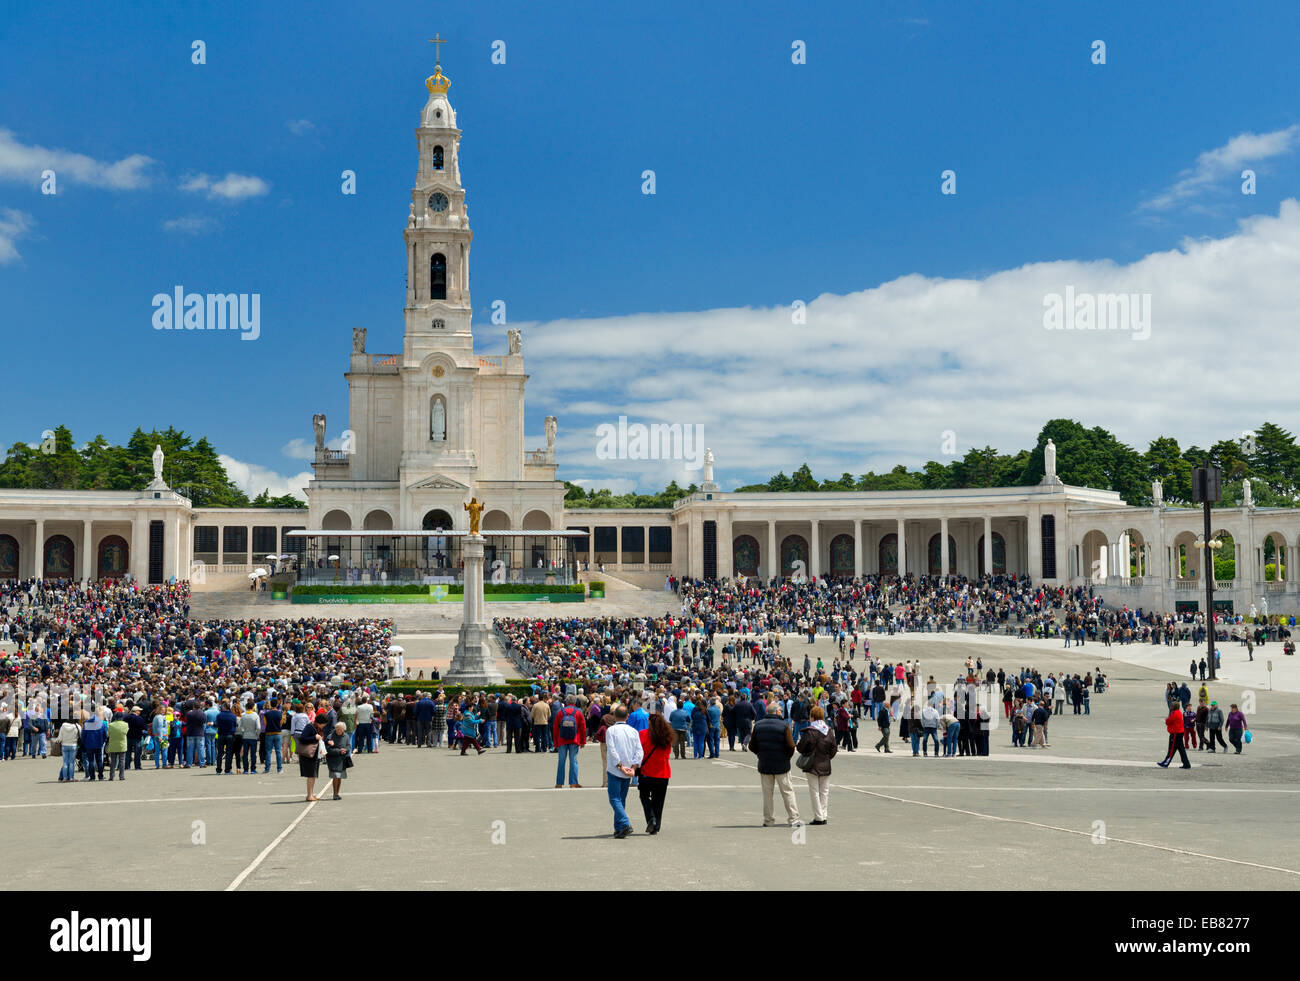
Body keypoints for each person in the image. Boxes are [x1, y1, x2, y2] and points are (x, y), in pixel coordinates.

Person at [751, 701, 800, 827]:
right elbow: (791, 745)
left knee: (767, 794)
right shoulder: (784, 725)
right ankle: (793, 819)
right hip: (782, 764)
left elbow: (752, 746)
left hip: (765, 763)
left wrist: (760, 754)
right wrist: (786, 757)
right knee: (787, 792)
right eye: (780, 711)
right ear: (777, 712)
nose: (782, 713)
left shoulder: (758, 725)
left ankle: (768, 820)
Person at [604, 705, 643, 838]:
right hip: (629, 768)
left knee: (614, 798)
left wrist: (620, 766)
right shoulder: (633, 731)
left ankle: (624, 823)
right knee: (621, 799)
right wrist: (634, 767)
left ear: (614, 716)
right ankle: (619, 827)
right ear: (627, 716)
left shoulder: (611, 730)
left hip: (616, 768)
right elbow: (639, 751)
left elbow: (612, 750)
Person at [796, 705, 837, 825]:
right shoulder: (828, 730)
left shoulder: (810, 731)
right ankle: (823, 815)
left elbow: (800, 747)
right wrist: (827, 757)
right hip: (825, 763)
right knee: (824, 791)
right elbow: (833, 749)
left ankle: (818, 816)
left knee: (814, 791)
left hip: (812, 764)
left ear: (812, 717)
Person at [637, 712, 673, 834]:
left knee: (644, 797)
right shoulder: (667, 736)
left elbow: (639, 753)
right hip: (662, 773)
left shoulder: (643, 734)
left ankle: (650, 818)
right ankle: (656, 825)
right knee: (659, 801)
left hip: (647, 771)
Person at [552, 694, 586, 787]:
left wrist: (555, 742)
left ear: (566, 702)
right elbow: (583, 728)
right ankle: (573, 783)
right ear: (575, 702)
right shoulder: (578, 712)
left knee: (561, 761)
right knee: (573, 761)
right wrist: (583, 741)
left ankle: (559, 783)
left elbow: (555, 728)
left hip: (562, 740)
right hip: (574, 740)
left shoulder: (560, 712)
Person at [298, 714, 323, 801]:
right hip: (308, 755)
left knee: (313, 775)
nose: (324, 726)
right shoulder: (310, 727)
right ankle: (309, 795)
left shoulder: (316, 728)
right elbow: (302, 738)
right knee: (311, 775)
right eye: (324, 724)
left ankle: (311, 794)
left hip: (314, 754)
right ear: (320, 722)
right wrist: (314, 737)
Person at [1157, 703, 1191, 769]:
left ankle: (1166, 763)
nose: (1171, 707)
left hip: (1176, 733)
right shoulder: (1178, 712)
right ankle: (1186, 764)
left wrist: (1167, 719)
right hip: (1180, 733)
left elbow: (1168, 721)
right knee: (1181, 750)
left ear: (1174, 707)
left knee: (1171, 749)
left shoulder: (1174, 713)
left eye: (1172, 706)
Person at [324, 721, 352, 799]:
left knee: (339, 777)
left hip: (342, 760)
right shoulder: (330, 736)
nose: (339, 731)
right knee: (335, 776)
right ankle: (335, 794)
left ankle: (337, 793)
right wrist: (339, 751)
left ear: (344, 730)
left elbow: (349, 746)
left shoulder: (346, 736)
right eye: (337, 729)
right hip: (333, 760)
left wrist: (346, 750)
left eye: (341, 729)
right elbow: (328, 749)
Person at [106, 710, 129, 781]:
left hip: (113, 745)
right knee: (122, 761)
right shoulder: (125, 724)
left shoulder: (111, 725)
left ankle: (111, 776)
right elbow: (126, 732)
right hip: (122, 744)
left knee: (113, 761)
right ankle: (121, 776)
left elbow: (108, 734)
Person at [57, 717, 80, 783]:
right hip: (73, 745)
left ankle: (64, 778)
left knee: (65, 762)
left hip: (64, 745)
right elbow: (80, 735)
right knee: (71, 762)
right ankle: (71, 778)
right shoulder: (77, 726)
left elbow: (60, 738)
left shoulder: (63, 726)